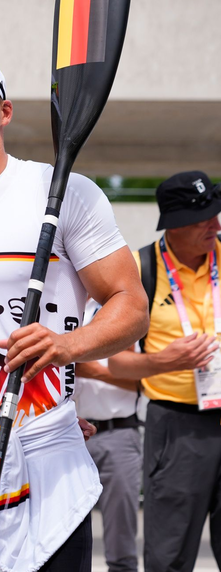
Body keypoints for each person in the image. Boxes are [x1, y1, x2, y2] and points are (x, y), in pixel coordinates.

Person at [0, 51, 149, 572]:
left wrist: (66, 347)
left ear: (5, 111)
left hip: (46, 460)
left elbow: (131, 305)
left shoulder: (61, 192)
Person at [99, 170, 221, 572]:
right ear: (174, 222)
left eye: (216, 213)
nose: (216, 224)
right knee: (168, 556)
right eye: (204, 217)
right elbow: (117, 361)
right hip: (177, 426)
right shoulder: (139, 268)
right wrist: (163, 361)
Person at [74, 299, 142, 572]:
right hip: (67, 434)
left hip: (118, 433)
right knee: (61, 532)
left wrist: (95, 372)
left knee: (120, 539)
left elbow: (152, 379)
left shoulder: (129, 310)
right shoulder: (64, 305)